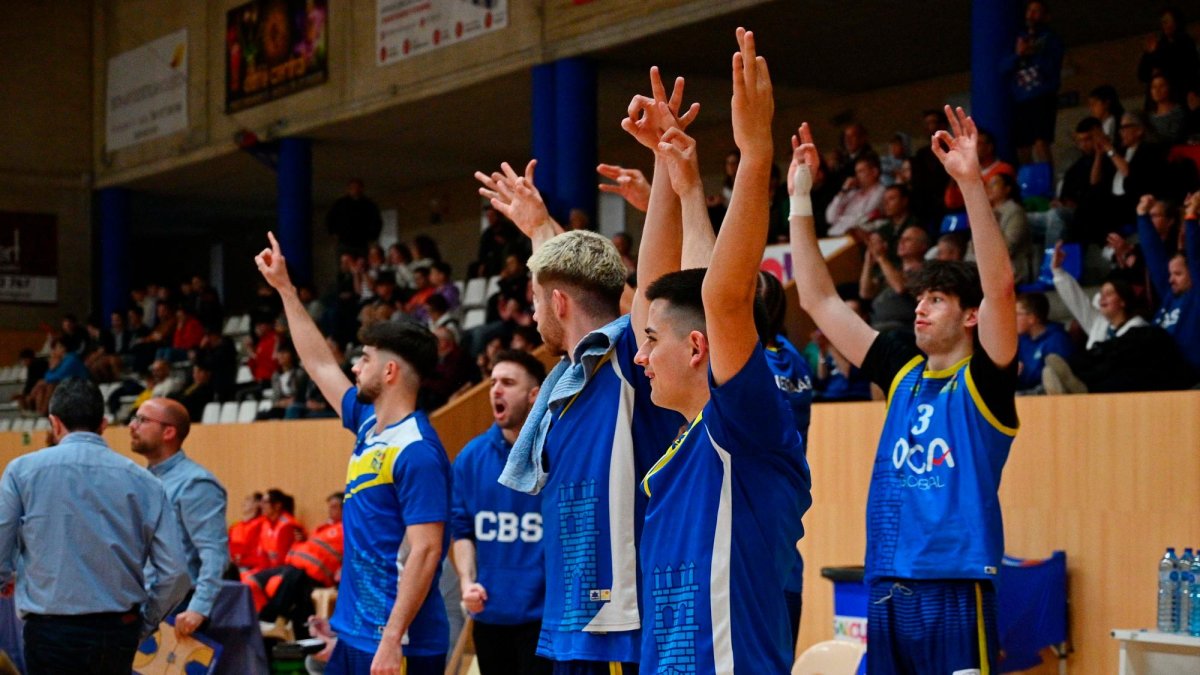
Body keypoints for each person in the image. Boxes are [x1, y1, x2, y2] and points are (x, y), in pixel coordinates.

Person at [473, 65, 693, 673]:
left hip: (620, 626)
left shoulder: (629, 358)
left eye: (536, 301)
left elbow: (652, 281)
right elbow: (568, 276)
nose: (531, 312)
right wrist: (538, 229)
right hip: (572, 624)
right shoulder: (565, 385)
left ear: (559, 305)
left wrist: (667, 166)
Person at [789, 106, 1019, 673]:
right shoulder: (901, 370)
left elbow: (1000, 287)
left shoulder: (984, 379)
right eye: (919, 299)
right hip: (887, 580)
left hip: (955, 582)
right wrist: (800, 198)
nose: (920, 308)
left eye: (936, 300)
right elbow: (819, 300)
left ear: (970, 316)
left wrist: (971, 184)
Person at [632, 30, 812, 672]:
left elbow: (723, 299)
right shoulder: (686, 439)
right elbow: (682, 296)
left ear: (696, 349)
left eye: (651, 343)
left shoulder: (743, 430)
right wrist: (678, 182)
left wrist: (755, 154)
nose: (640, 356)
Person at [255, 232, 451, 674]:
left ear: (390, 370)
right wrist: (285, 289)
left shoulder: (417, 451)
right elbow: (319, 364)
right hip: (356, 632)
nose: (354, 367)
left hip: (399, 643)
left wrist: (391, 639)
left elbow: (425, 551)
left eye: (364, 359)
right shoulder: (366, 421)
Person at [0, 379, 190, 674]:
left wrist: (6, 580)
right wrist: (145, 622)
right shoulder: (147, 482)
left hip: (51, 630)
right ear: (103, 425)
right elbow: (176, 572)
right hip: (118, 630)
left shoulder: (21, 472)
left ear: (54, 423)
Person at [452, 350, 551, 675]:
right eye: (493, 382)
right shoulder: (470, 457)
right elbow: (462, 530)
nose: (496, 389)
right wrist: (467, 583)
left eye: (507, 383)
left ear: (534, 395)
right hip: (489, 616)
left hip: (546, 620)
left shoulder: (558, 453)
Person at [129, 398, 230, 640]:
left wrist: (199, 608)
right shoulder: (142, 479)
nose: (132, 426)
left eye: (142, 420)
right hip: (145, 602)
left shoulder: (195, 483)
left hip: (180, 609)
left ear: (169, 432)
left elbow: (214, 552)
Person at [1137, 192, 1198, 373]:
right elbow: (1154, 256)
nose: (1170, 279)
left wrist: (1191, 216)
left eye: (1178, 274)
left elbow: (1195, 255)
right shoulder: (1170, 294)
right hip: (1154, 366)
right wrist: (1142, 216)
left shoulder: (1195, 297)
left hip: (1183, 371)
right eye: (1171, 274)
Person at [1001, 0, 1064, 164]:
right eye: (1029, 10)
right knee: (1022, 145)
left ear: (1046, 16)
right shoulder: (1017, 39)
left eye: (1036, 11)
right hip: (1021, 99)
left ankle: (1046, 177)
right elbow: (1002, 68)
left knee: (1040, 142)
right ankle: (1025, 179)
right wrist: (1019, 54)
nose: (1031, 15)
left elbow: (1053, 68)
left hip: (1042, 97)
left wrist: (1033, 53)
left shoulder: (1051, 39)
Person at [1015, 292, 1073, 394]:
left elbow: (1060, 378)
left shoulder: (1057, 340)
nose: (1012, 318)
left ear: (1032, 318)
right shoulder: (1020, 340)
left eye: (1017, 314)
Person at [326, 178, 383, 258]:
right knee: (345, 263)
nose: (355, 190)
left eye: (357, 187)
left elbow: (377, 222)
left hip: (362, 243)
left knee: (362, 263)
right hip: (344, 242)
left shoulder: (369, 205)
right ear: (348, 189)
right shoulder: (340, 204)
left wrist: (373, 238)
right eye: (352, 188)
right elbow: (330, 219)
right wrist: (333, 233)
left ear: (362, 189)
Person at [229, 491, 268, 572]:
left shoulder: (262, 523)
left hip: (250, 566)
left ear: (258, 504)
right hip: (233, 564)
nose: (244, 503)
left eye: (248, 499)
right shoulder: (235, 526)